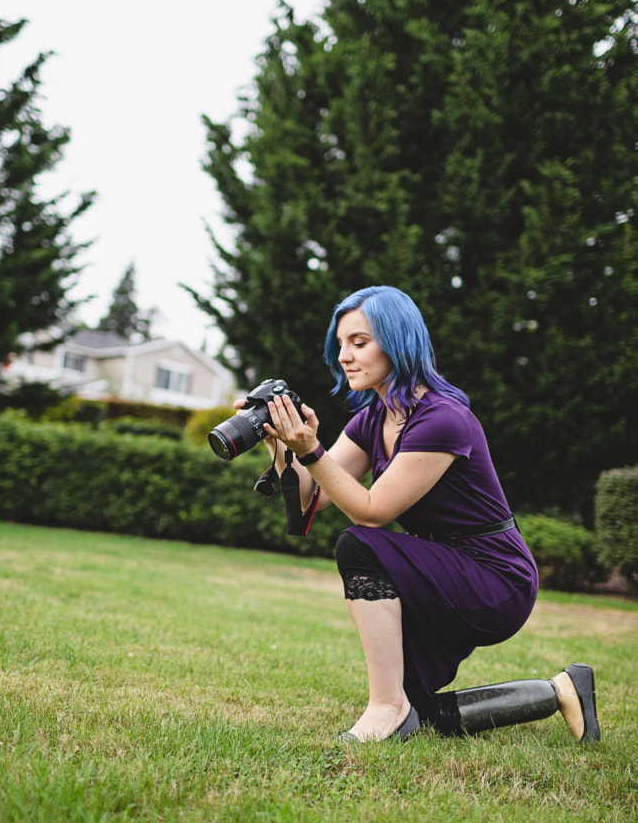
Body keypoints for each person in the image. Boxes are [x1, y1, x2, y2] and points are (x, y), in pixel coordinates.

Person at [252, 285, 599, 744]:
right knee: (416, 705)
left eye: (359, 342)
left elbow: (371, 513)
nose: (345, 357)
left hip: (495, 577)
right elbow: (312, 500)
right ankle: (559, 691)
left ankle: (384, 707)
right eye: (340, 345)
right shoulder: (373, 419)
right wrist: (281, 447)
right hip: (438, 571)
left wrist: (311, 450)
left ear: (397, 342)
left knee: (359, 544)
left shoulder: (442, 418)